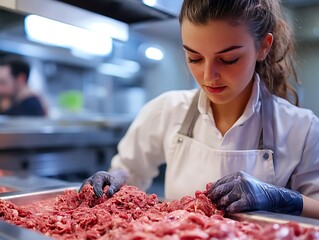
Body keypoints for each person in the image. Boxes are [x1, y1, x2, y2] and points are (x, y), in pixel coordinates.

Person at [80, 0, 319, 219]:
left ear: (263, 47)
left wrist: (280, 198)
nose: (208, 77)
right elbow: (130, 171)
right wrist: (114, 179)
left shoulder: (301, 127)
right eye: (194, 58)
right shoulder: (167, 109)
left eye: (228, 59)